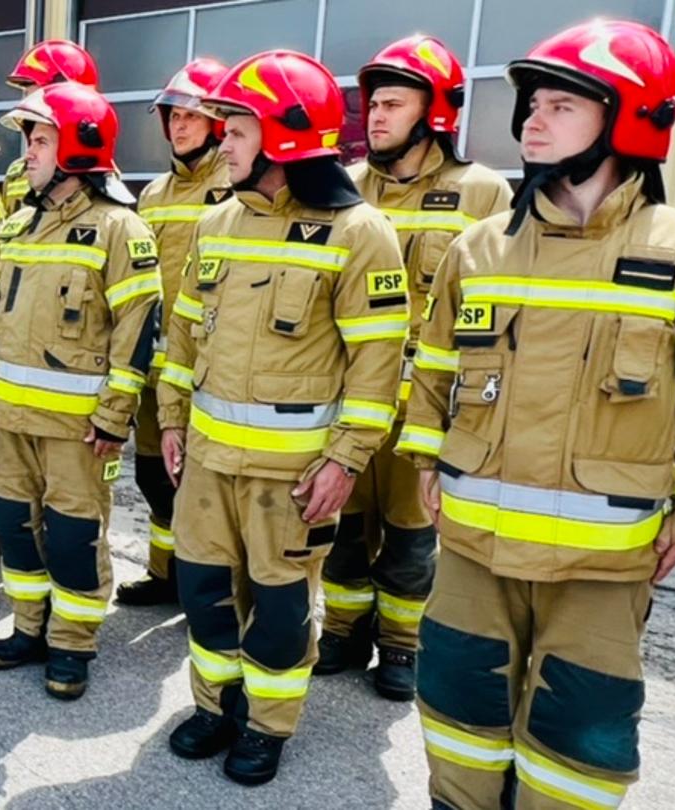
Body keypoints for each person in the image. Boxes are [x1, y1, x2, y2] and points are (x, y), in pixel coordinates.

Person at [397, 21, 675, 809]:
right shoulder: (480, 248)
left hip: (602, 564)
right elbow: (434, 370)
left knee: (576, 739)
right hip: (472, 552)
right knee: (456, 714)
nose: (533, 120)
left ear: (630, 120)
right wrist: (425, 458)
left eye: (562, 104)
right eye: (531, 104)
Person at [157, 50, 407, 785]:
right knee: (203, 593)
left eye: (235, 129)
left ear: (285, 137)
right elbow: (183, 331)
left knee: (277, 609)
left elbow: (377, 362)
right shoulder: (219, 221)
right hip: (206, 462)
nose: (221, 142)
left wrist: (345, 459)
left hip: (291, 477)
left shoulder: (359, 233)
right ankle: (213, 706)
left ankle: (266, 725)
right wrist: (172, 419)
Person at [318, 34, 513, 702]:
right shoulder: (346, 187)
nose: (373, 116)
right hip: (349, 397)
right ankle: (341, 629)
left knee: (409, 535)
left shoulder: (483, 193)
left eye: (392, 104)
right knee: (341, 524)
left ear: (436, 112)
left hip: (429, 405)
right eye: (371, 104)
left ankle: (401, 644)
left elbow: (503, 310)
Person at [0, 81, 158, 699]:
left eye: (40, 139)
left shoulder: (119, 229)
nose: (27, 152)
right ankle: (29, 628)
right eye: (27, 139)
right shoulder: (17, 224)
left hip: (79, 430)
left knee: (75, 537)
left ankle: (73, 644)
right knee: (12, 525)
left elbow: (137, 332)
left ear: (78, 148)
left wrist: (113, 417)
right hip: (13, 417)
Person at [118, 57, 229, 608]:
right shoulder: (154, 194)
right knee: (153, 477)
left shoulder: (236, 186)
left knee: (200, 487)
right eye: (173, 117)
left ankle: (203, 588)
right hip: (154, 367)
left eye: (192, 115)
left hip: (207, 369)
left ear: (218, 123)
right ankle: (166, 575)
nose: (180, 126)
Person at [2, 39, 99, 212]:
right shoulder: (16, 173)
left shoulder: (95, 171)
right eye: (25, 93)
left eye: (34, 92)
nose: (26, 101)